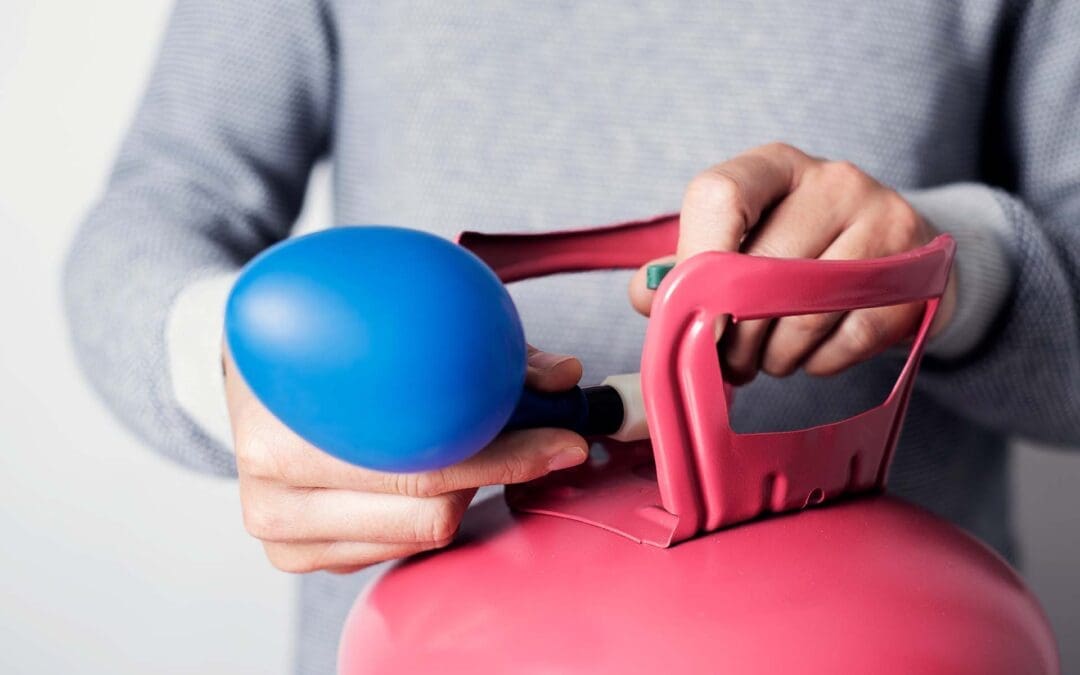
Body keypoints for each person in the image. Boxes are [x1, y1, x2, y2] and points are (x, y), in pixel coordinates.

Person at [64, 1, 1080, 673]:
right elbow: (158, 207)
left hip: (899, 642)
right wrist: (226, 367)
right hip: (439, 646)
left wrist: (963, 262)